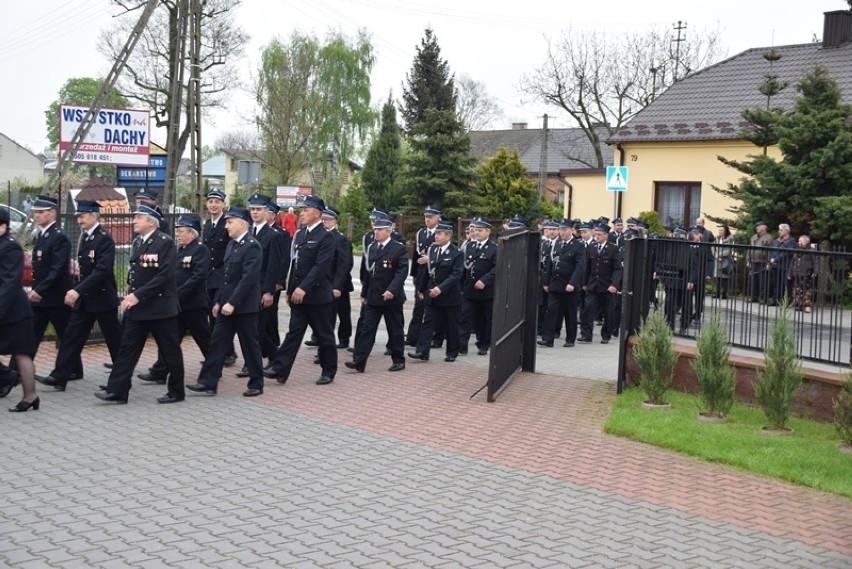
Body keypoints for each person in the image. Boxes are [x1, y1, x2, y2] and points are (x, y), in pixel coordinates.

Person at [97, 205, 185, 404]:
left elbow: (164, 276)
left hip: (161, 308)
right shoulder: (138, 241)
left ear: (151, 222)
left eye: (138, 217)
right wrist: (130, 292)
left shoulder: (165, 243)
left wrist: (138, 295)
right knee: (127, 349)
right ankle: (117, 391)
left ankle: (176, 391)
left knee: (170, 352)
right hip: (140, 309)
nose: (134, 221)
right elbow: (135, 273)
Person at [36, 201, 123, 392]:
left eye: (82, 216)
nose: (79, 220)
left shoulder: (103, 238)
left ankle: (122, 378)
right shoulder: (86, 237)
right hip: (85, 299)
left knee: (114, 340)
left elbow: (101, 270)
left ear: (93, 216)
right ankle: (59, 377)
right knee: (71, 337)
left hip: (102, 298)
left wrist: (77, 289)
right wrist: (79, 290)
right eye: (78, 216)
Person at [187, 207, 264, 397]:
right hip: (226, 304)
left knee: (249, 345)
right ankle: (208, 382)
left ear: (242, 223)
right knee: (217, 343)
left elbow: (248, 280)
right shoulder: (231, 245)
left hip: (244, 307)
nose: (226, 226)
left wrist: (233, 303)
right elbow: (226, 277)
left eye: (230, 222)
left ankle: (256, 383)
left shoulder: (252, 246)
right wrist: (219, 301)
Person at [264, 196, 337, 386]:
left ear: (317, 213)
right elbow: (295, 265)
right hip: (298, 296)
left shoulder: (326, 236)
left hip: (318, 296)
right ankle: (281, 368)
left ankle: (329, 371)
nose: (301, 213)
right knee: (294, 333)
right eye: (302, 210)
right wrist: (291, 290)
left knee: (324, 335)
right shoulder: (301, 234)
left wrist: (303, 288)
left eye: (305, 210)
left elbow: (320, 267)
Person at [138, 216, 212, 385]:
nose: (177, 234)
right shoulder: (181, 250)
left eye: (181, 231)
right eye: (177, 231)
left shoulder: (200, 249)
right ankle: (160, 371)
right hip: (179, 305)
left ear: (192, 233)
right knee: (169, 340)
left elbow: (198, 276)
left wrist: (178, 292)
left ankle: (213, 368)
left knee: (204, 339)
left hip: (194, 305)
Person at [26, 195, 82, 380]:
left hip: (56, 296)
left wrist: (39, 290)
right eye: (35, 212)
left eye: (40, 212)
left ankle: (73, 369)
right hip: (41, 297)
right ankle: (17, 372)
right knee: (30, 335)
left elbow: (58, 269)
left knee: (66, 335)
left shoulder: (59, 237)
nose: (37, 216)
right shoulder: (43, 234)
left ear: (52, 213)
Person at [345, 217, 409, 373]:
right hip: (374, 297)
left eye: (380, 230)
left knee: (395, 330)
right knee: (367, 328)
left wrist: (391, 290)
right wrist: (364, 293)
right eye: (375, 229)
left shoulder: (398, 248)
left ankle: (398, 360)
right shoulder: (373, 247)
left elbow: (401, 273)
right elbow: (370, 273)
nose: (376, 232)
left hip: (391, 297)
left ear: (388, 231)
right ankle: (359, 361)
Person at [238, 194, 287, 377]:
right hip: (246, 287)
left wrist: (269, 291)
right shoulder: (247, 232)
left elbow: (273, 265)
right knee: (249, 326)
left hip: (261, 287)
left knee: (256, 328)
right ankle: (274, 353)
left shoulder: (273, 235)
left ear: (267, 212)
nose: (255, 213)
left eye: (259, 209)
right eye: (253, 209)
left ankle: (251, 364)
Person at [0, 207, 39, 412]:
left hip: (13, 313)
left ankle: (30, 396)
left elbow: (9, 283)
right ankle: (7, 378)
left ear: (3, 226)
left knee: (22, 354)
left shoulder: (11, 247)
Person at [408, 221, 463, 362]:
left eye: (439, 234)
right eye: (436, 233)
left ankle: (452, 352)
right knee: (427, 323)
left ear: (448, 235)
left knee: (451, 325)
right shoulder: (432, 249)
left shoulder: (456, 253)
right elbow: (428, 271)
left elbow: (456, 275)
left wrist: (441, 288)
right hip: (432, 293)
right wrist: (421, 288)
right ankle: (422, 351)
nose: (436, 236)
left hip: (449, 296)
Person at [202, 189, 237, 367]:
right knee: (211, 314)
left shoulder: (227, 223)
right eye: (210, 202)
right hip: (209, 275)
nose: (213, 205)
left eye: (217, 202)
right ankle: (222, 351)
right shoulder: (207, 224)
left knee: (220, 316)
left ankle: (227, 353)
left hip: (222, 273)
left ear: (223, 204)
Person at [539, 219, 586, 348]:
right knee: (551, 311)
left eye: (565, 230)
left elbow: (580, 267)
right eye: (561, 229)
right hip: (555, 284)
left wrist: (572, 283)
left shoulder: (578, 245)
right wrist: (546, 282)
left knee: (570, 313)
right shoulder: (556, 244)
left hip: (569, 285)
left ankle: (570, 339)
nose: (562, 232)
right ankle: (548, 338)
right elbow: (550, 264)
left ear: (571, 230)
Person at [460, 217, 498, 355]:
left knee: (484, 319)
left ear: (488, 232)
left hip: (486, 291)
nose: (476, 233)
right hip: (469, 289)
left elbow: (497, 268)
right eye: (474, 230)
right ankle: (462, 345)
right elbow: (464, 267)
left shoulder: (494, 249)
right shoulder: (469, 246)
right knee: (465, 317)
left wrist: (484, 280)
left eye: (480, 230)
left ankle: (484, 344)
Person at [579, 223, 622, 344]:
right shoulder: (592, 247)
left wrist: (614, 285)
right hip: (593, 285)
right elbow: (587, 266)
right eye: (596, 234)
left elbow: (617, 269)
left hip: (607, 286)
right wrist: (585, 282)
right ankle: (586, 334)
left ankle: (606, 335)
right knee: (588, 309)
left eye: (599, 234)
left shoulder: (613, 248)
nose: (597, 236)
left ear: (606, 235)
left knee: (608, 312)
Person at [406, 205, 441, 347]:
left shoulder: (442, 232)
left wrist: (431, 259)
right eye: (426, 216)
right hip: (421, 274)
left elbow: (447, 254)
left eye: (430, 217)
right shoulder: (421, 233)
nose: (427, 219)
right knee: (419, 305)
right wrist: (414, 274)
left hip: (435, 274)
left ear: (438, 217)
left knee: (435, 307)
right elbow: (415, 255)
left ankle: (436, 337)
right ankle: (412, 336)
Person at [321, 207, 353, 349]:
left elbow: (344, 264)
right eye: (323, 220)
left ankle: (343, 338)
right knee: (325, 315)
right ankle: (321, 342)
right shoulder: (320, 236)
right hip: (323, 282)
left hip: (338, 283)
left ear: (334, 221)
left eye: (327, 220)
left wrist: (337, 285)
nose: (324, 222)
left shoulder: (340, 239)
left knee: (342, 312)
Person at [768, 223, 796, 305]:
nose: (779, 231)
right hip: (776, 266)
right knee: (776, 284)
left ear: (787, 231)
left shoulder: (791, 241)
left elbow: (787, 253)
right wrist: (770, 259)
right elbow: (771, 250)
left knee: (787, 285)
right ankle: (776, 300)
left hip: (785, 266)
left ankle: (787, 301)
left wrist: (776, 259)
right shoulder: (776, 241)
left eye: (781, 230)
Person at [788, 235, 818, 313]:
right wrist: (789, 273)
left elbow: (815, 262)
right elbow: (792, 262)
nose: (799, 242)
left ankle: (807, 305)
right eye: (799, 241)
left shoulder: (810, 250)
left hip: (806, 273)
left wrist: (815, 272)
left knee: (806, 290)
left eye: (801, 241)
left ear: (806, 242)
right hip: (796, 273)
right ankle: (798, 304)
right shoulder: (797, 250)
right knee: (796, 289)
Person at [747, 221, 773, 303]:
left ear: (764, 227)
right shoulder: (753, 236)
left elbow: (770, 251)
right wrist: (748, 260)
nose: (757, 228)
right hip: (753, 261)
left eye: (759, 226)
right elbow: (749, 249)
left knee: (763, 281)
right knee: (753, 280)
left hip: (763, 262)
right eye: (756, 226)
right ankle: (753, 296)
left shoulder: (768, 237)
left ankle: (762, 298)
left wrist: (768, 263)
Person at [713, 225, 734, 299]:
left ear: (725, 231)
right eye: (719, 230)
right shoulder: (716, 238)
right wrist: (715, 255)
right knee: (717, 278)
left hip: (725, 260)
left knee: (724, 278)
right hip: (717, 260)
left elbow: (729, 250)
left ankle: (724, 293)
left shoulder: (729, 239)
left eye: (721, 230)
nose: (720, 231)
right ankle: (717, 293)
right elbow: (713, 247)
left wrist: (719, 255)